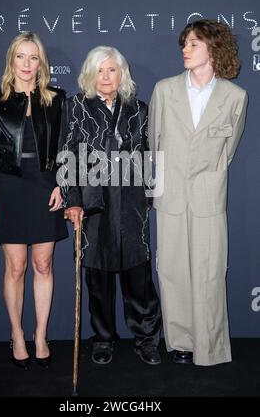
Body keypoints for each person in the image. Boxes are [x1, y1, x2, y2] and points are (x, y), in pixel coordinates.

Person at [148, 19, 248, 366]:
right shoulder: (164, 90)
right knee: (172, 272)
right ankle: (180, 343)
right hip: (171, 195)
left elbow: (228, 151)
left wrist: (207, 178)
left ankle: (211, 346)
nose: (185, 49)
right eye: (184, 44)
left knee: (209, 272)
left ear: (213, 48)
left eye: (193, 44)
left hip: (208, 196)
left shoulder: (235, 97)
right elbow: (154, 144)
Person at [58, 46, 162, 365]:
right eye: (99, 71)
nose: (105, 77)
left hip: (131, 204)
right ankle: (103, 338)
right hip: (93, 203)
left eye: (112, 70)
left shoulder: (139, 109)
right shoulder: (76, 106)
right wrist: (72, 201)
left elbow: (149, 155)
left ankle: (146, 339)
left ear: (122, 74)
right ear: (90, 74)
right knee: (98, 278)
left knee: (138, 277)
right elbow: (67, 153)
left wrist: (150, 197)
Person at [0, 32, 68, 369]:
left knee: (43, 265)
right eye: (21, 57)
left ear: (41, 63)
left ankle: (40, 335)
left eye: (33, 58)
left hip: (46, 187)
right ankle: (16, 334)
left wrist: (63, 184)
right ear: (11, 60)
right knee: (16, 267)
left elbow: (65, 148)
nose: (27, 65)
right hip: (8, 189)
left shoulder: (56, 98)